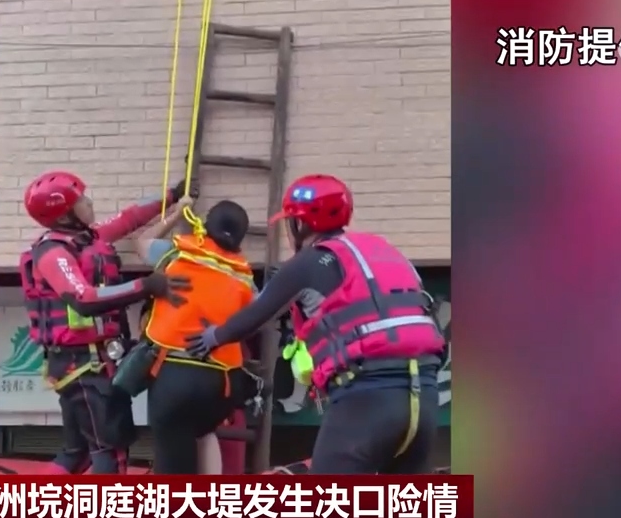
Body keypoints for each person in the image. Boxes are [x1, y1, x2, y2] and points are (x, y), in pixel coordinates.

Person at [185, 174, 446, 474]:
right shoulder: (386, 253)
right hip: (424, 397)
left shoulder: (308, 261)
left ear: (300, 224)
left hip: (366, 398)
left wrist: (212, 337)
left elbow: (255, 315)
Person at [20, 170, 192, 474]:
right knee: (110, 452)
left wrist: (172, 195)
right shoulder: (53, 252)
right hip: (84, 369)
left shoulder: (87, 237)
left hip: (86, 365)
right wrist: (146, 286)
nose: (89, 203)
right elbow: (82, 298)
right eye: (81, 201)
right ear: (64, 214)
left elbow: (128, 219)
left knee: (76, 454)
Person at [134, 199, 259, 474]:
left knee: (172, 462)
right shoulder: (243, 275)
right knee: (204, 432)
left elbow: (141, 242)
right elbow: (255, 319)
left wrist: (177, 211)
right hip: (220, 381)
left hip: (173, 374)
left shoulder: (177, 253)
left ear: (205, 225)